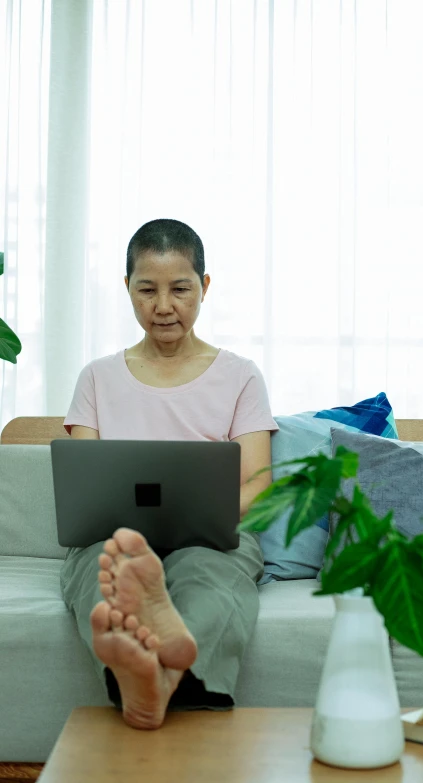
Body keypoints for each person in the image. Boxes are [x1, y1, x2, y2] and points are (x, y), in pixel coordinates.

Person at [59, 218, 279, 730]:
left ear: (204, 287)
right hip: (112, 536)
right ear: (127, 289)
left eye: (180, 289)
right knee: (104, 565)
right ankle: (152, 677)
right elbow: (84, 481)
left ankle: (151, 679)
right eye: (147, 290)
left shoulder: (241, 375)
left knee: (209, 573)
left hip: (211, 534)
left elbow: (258, 484)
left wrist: (194, 514)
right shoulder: (96, 377)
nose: (163, 306)